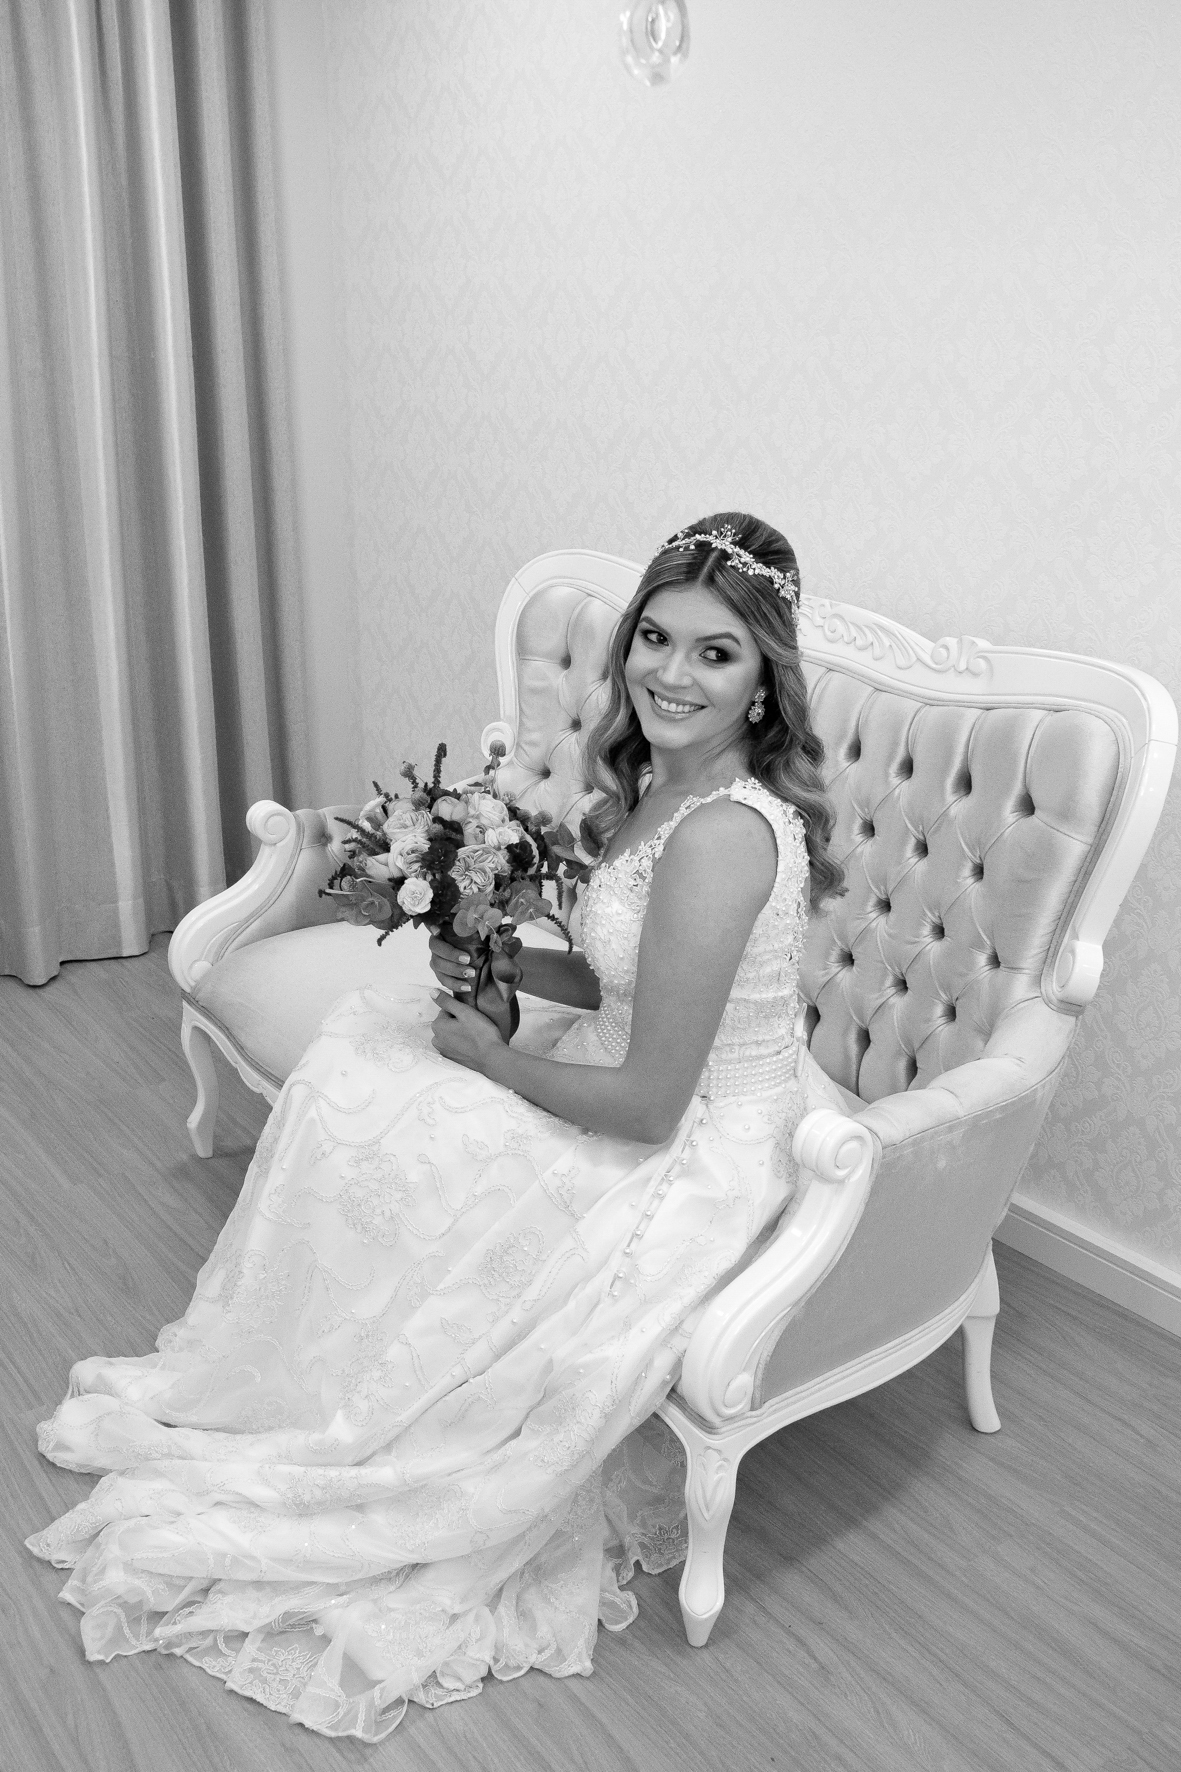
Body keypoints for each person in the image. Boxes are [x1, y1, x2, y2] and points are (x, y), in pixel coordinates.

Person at [28, 513, 846, 1742]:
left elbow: (648, 1102)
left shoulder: (723, 833)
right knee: (372, 1065)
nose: (671, 674)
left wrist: (494, 1059)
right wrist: (502, 961)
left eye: (714, 653)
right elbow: (627, 982)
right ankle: (330, 1371)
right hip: (637, 1066)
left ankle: (360, 1412)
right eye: (656, 638)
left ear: (763, 679)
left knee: (416, 1112)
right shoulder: (664, 783)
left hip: (690, 1140)